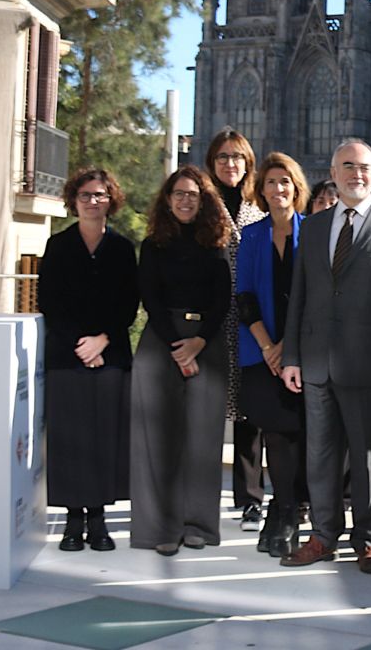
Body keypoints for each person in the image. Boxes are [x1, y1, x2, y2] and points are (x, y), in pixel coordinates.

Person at [280, 139, 371, 574]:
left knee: (368, 459)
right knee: (319, 456)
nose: (356, 174)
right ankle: (322, 536)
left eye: (365, 167)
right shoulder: (314, 226)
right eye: (348, 167)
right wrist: (292, 356)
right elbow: (299, 296)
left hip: (370, 366)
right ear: (333, 173)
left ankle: (369, 539)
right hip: (316, 363)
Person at [130, 166, 235, 555]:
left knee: (202, 441)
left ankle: (199, 526)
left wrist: (197, 344)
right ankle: (160, 529)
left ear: (204, 199)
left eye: (193, 194)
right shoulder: (153, 243)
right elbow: (150, 298)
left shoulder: (216, 242)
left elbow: (223, 299)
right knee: (157, 441)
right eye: (179, 193)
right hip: (162, 342)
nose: (186, 199)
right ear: (167, 198)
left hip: (205, 343)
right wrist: (178, 345)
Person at [39, 168, 138, 552]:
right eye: (85, 195)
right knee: (68, 441)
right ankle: (71, 521)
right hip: (67, 356)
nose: (93, 201)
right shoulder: (58, 246)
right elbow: (49, 301)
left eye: (100, 195)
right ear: (73, 200)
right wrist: (81, 345)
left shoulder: (123, 248)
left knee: (102, 440)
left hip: (110, 355)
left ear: (111, 199)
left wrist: (102, 341)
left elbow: (129, 303)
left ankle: (98, 520)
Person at [234, 153, 310, 558]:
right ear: (261, 190)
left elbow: (315, 297)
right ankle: (282, 512)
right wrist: (269, 347)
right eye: (271, 183)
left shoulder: (313, 233)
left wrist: (289, 347)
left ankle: (285, 512)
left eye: (285, 182)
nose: (278, 189)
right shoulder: (251, 236)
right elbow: (244, 296)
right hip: (261, 353)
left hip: (302, 352)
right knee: (277, 433)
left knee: (300, 434)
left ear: (296, 188)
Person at [207, 128, 269, 534]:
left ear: (248, 163)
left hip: (248, 324)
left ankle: (250, 500)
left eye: (238, 157)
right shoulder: (201, 207)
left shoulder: (257, 210)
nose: (231, 164)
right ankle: (198, 497)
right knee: (205, 415)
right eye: (223, 157)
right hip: (210, 325)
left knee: (250, 416)